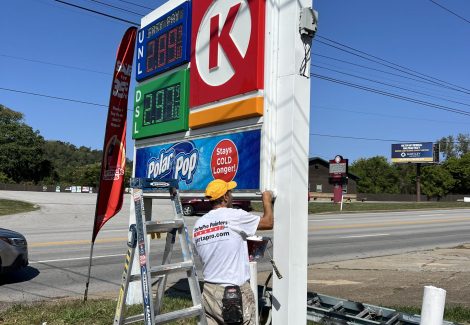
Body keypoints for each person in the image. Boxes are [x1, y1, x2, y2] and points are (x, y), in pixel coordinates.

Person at [192, 179, 274, 325]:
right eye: (230, 192)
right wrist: (266, 200)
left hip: (209, 291)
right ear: (225, 197)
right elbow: (268, 222)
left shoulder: (199, 224)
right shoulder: (234, 215)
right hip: (234, 293)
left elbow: (211, 251)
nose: (232, 196)